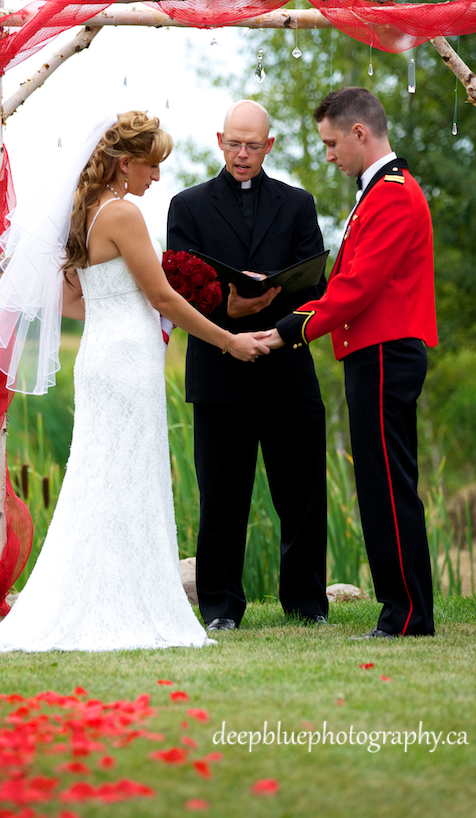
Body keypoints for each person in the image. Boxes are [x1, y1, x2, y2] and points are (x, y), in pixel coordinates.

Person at [0, 111, 269, 655]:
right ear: (125, 164)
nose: (156, 179)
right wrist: (229, 340)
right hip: (128, 360)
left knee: (103, 475)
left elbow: (77, 301)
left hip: (104, 354)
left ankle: (105, 593)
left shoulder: (84, 214)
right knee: (124, 475)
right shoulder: (122, 213)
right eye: (151, 167)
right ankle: (125, 601)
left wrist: (132, 311)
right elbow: (163, 297)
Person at [264, 87, 437, 639]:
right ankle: (402, 608)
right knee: (381, 482)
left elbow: (357, 288)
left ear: (360, 134)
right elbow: (346, 284)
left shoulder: (391, 194)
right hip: (376, 352)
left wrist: (295, 327)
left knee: (387, 484)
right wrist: (295, 315)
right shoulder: (379, 191)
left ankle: (406, 612)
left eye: (332, 143)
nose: (330, 155)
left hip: (385, 352)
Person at [167, 99, 329, 631]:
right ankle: (219, 608)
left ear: (270, 146)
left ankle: (306, 605)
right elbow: (179, 288)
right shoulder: (186, 206)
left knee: (302, 494)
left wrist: (271, 319)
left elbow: (316, 286)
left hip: (287, 368)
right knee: (221, 498)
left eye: (252, 145)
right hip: (219, 371)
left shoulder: (299, 205)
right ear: (219, 141)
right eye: (234, 143)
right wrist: (229, 310)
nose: (242, 154)